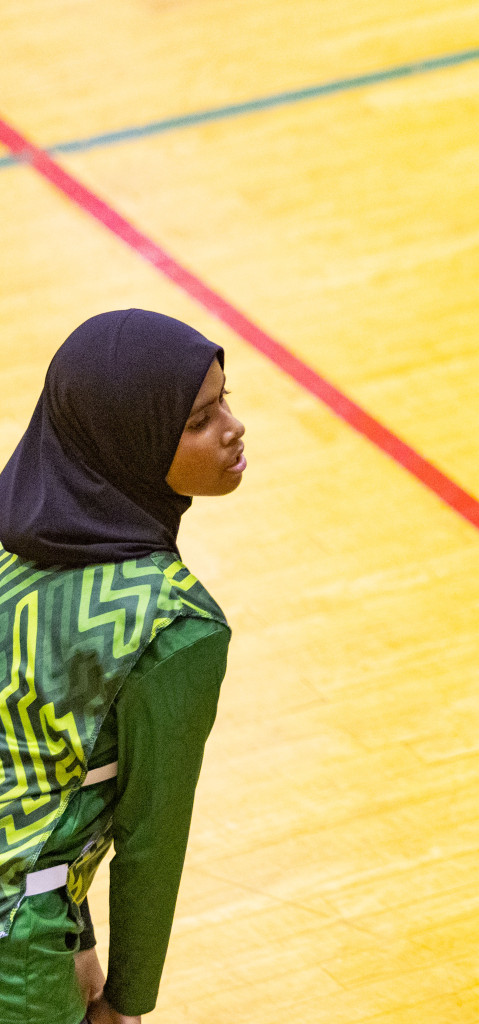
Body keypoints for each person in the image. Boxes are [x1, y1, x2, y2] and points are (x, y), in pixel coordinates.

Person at [0, 309, 245, 1024]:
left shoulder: (11, 543)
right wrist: (125, 1001)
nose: (233, 426)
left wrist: (70, 920)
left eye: (226, 399)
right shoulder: (172, 626)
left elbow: (36, 763)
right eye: (199, 419)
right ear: (125, 442)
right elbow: (150, 839)